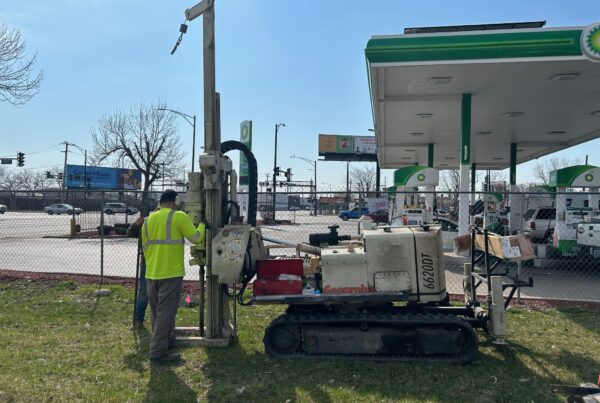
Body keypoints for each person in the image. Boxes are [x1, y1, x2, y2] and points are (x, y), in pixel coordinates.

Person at [142, 189, 205, 363]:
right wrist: (204, 224)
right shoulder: (178, 217)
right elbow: (197, 237)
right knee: (166, 314)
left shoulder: (148, 221)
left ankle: (164, 343)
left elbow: (145, 249)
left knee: (156, 313)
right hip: (171, 273)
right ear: (175, 201)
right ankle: (157, 353)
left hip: (151, 273)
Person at [128, 216, 148, 328]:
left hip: (163, 263)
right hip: (147, 262)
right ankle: (138, 319)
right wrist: (136, 224)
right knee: (143, 292)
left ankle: (162, 323)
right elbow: (131, 233)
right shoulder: (146, 221)